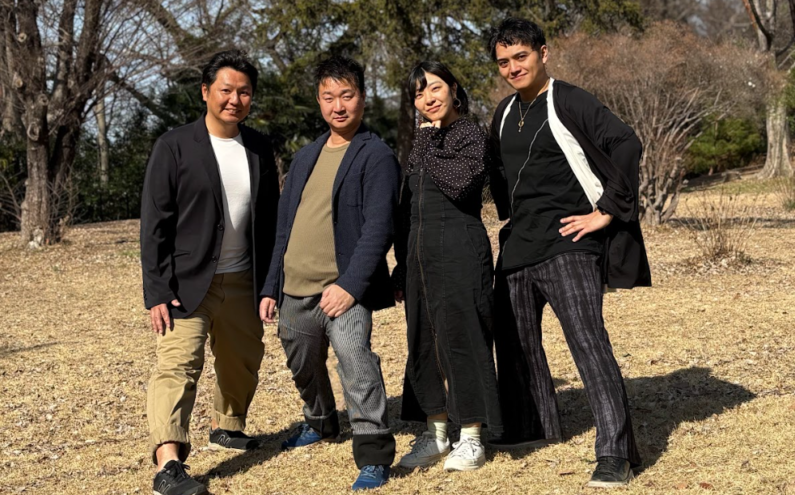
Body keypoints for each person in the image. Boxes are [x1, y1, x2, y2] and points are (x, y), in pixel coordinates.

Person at [484, 18, 652, 488]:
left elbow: (626, 142)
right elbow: (498, 170)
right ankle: (531, 427)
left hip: (569, 243)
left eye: (521, 57)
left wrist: (606, 210)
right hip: (519, 244)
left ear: (543, 53)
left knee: (587, 342)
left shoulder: (569, 100)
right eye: (504, 62)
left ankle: (616, 453)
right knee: (514, 343)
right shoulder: (503, 112)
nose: (513, 68)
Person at [140, 50, 279, 495]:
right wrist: (156, 290)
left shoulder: (258, 148)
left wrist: (270, 283)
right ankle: (168, 464)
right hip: (186, 283)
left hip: (243, 279)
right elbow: (154, 224)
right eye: (226, 90)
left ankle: (228, 426)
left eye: (244, 92)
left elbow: (270, 222)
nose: (234, 99)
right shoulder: (174, 146)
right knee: (177, 366)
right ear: (205, 92)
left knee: (242, 360)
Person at [258, 55, 399, 491]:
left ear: (362, 98)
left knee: (356, 360)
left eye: (347, 95)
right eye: (328, 97)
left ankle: (373, 452)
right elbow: (284, 227)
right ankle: (320, 421)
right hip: (294, 288)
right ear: (319, 101)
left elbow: (379, 228)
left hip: (344, 290)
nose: (338, 105)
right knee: (301, 361)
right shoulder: (305, 156)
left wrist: (350, 286)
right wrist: (271, 286)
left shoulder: (376, 155)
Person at [391, 61, 503, 472]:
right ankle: (436, 434)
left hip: (460, 251)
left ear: (454, 88)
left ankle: (471, 437)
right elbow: (407, 209)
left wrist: (425, 142)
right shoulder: (422, 142)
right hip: (420, 255)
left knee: (462, 338)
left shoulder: (469, 133)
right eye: (419, 93)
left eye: (435, 87)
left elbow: (462, 183)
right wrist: (401, 266)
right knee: (423, 341)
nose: (427, 98)